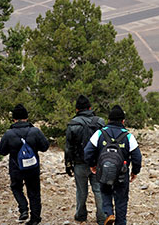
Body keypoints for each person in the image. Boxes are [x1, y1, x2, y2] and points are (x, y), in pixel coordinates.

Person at [84, 105, 142, 225]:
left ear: (109, 120)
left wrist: (93, 165)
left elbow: (87, 151)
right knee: (121, 200)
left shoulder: (99, 133)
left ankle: (109, 213)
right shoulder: (128, 136)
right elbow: (137, 157)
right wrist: (135, 172)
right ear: (123, 121)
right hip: (122, 173)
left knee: (105, 193)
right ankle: (120, 222)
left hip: (103, 171)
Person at [0, 104, 49, 225]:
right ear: (26, 117)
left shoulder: (9, 134)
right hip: (32, 167)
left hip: (16, 168)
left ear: (14, 119)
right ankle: (35, 219)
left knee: (16, 187)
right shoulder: (35, 131)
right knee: (34, 192)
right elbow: (45, 147)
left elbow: (2, 151)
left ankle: (23, 208)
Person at [65, 95, 106, 224]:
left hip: (79, 163)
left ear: (77, 109)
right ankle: (102, 217)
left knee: (81, 191)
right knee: (98, 190)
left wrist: (68, 165)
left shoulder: (72, 124)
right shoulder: (100, 122)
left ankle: (81, 215)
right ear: (90, 108)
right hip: (97, 163)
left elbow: (68, 148)